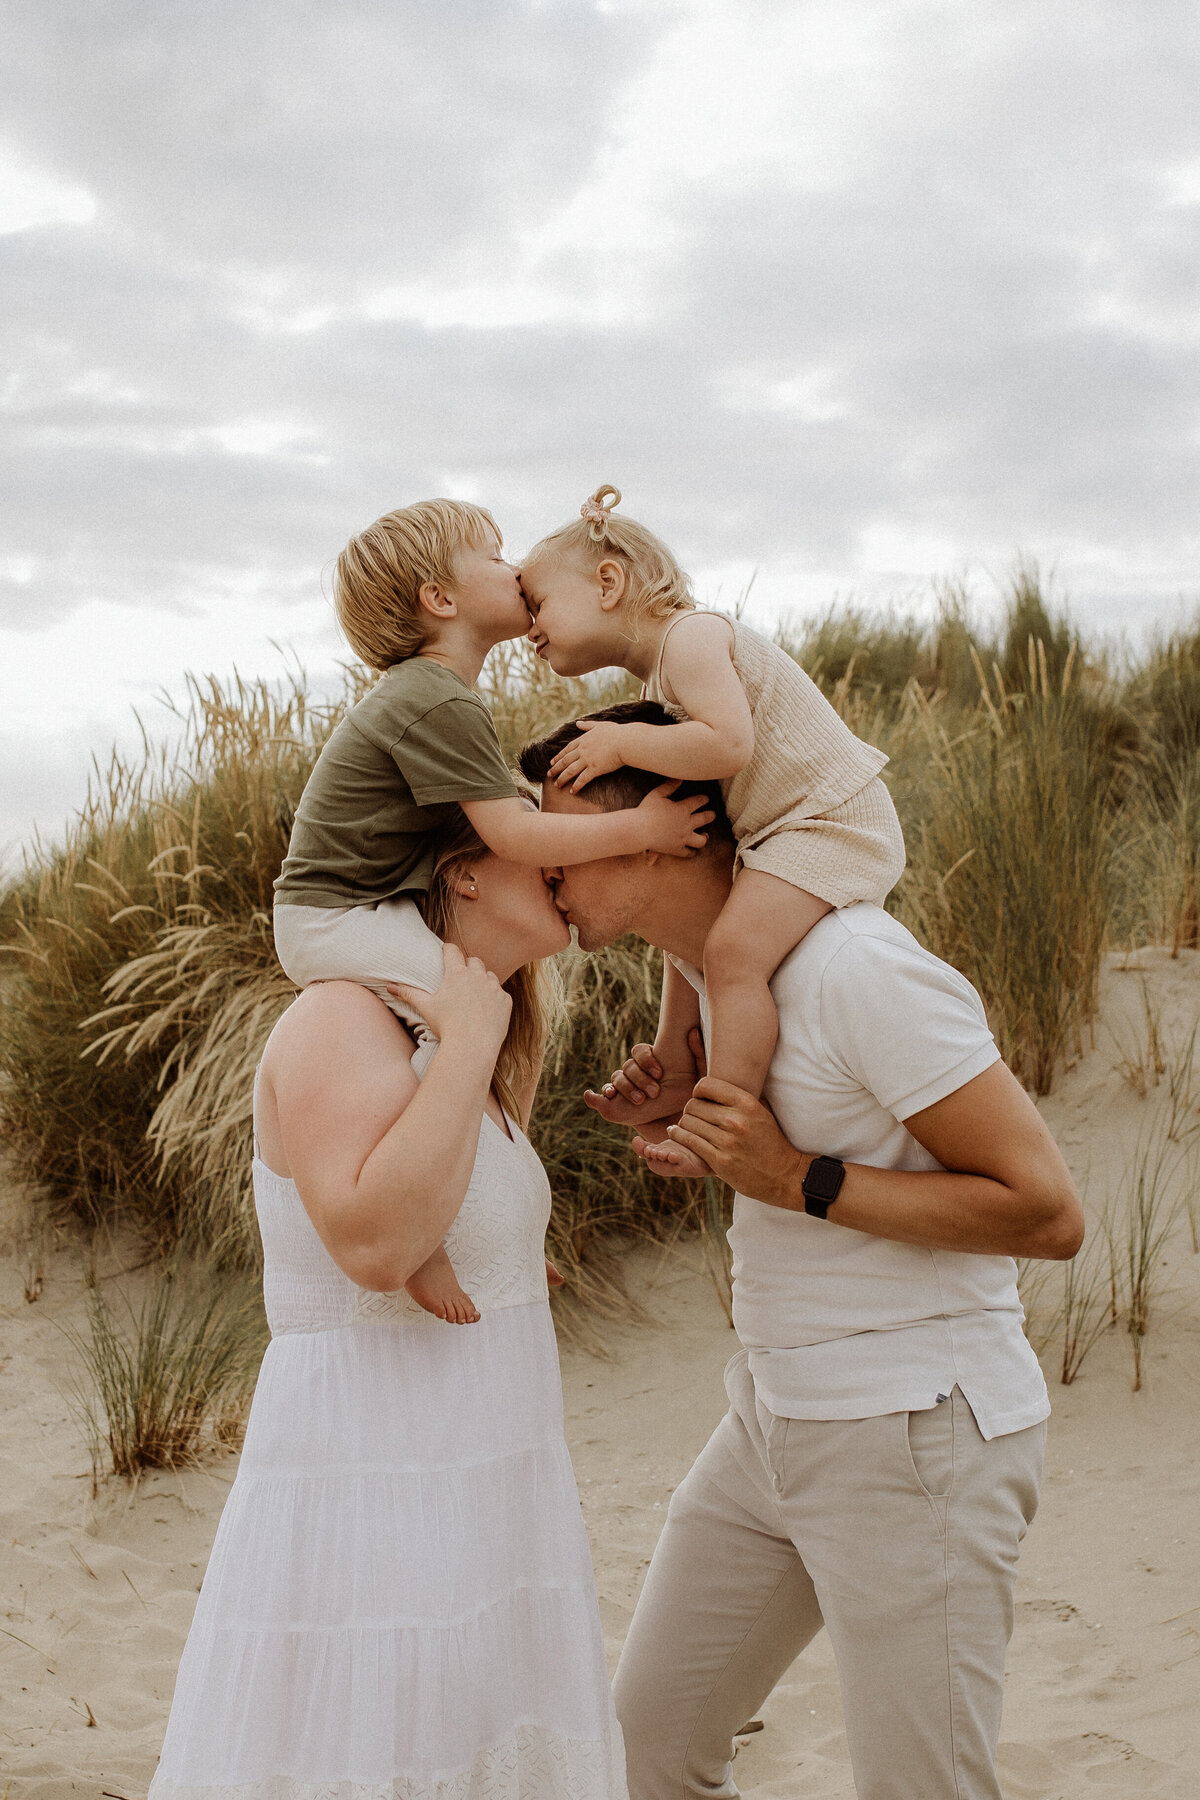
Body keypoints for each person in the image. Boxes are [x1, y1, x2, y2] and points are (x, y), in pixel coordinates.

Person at [517, 704, 1084, 1800]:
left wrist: (800, 1180)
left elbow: (1046, 1211)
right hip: (771, 1424)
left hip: (916, 1432)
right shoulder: (710, 998)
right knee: (647, 1750)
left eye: (561, 828)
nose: (543, 860)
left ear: (664, 828)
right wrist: (715, 1149)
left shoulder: (855, 969)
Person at [148, 813, 628, 1800]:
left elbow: (447, 1214)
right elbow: (373, 1244)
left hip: (484, 1513)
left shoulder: (466, 1032)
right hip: (377, 1520)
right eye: (531, 837)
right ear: (463, 873)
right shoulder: (339, 1019)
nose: (563, 853)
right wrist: (473, 1038)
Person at [273, 497, 711, 1324]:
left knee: (467, 1022)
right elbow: (513, 833)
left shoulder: (438, 699)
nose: (515, 570)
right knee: (455, 1018)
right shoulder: (434, 699)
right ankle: (425, 1242)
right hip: (336, 917)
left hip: (351, 913)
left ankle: (480, 1217)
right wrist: (645, 824)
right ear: (440, 599)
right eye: (494, 554)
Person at [521, 485, 905, 1178]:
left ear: (609, 582)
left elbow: (728, 744)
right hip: (782, 830)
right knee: (692, 938)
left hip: (831, 821)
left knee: (731, 951)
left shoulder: (691, 637)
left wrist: (621, 748)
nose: (528, 628)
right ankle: (675, 1061)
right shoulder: (655, 686)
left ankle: (723, 1122)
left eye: (537, 604)